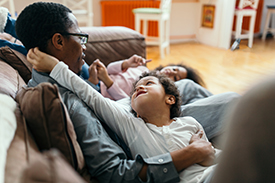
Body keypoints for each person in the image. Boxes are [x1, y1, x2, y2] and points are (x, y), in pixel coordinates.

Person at [16, 2, 215, 182]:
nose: (85, 47)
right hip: (143, 126)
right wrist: (192, 153)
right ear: (59, 41)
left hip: (137, 112)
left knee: (189, 88)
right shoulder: (71, 103)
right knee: (222, 101)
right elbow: (115, 172)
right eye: (80, 37)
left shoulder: (47, 79)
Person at [27, 48, 221, 183]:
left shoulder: (190, 123)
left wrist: (209, 157)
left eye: (149, 84)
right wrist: (55, 67)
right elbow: (91, 96)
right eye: (136, 89)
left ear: (170, 99)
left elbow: (211, 153)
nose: (140, 87)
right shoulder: (132, 125)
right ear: (132, 108)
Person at [87, 57, 205, 101]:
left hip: (99, 91)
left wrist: (108, 82)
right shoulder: (143, 69)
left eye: (175, 77)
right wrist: (126, 63)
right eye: (174, 68)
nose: (171, 72)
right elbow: (109, 69)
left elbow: (127, 101)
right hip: (97, 77)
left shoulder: (152, 89)